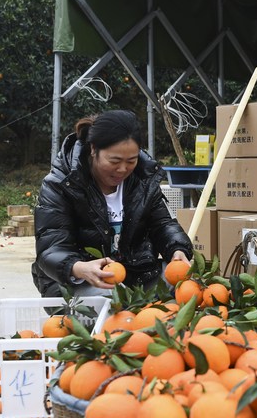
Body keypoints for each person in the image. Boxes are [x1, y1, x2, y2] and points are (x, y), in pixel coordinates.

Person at [31, 109, 192, 298]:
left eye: (131, 161)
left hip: (135, 274)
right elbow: (51, 248)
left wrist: (177, 249)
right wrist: (78, 267)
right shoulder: (61, 184)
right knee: (109, 301)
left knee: (186, 284)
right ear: (93, 149)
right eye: (114, 160)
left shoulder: (143, 180)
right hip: (76, 280)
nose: (123, 169)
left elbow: (163, 224)